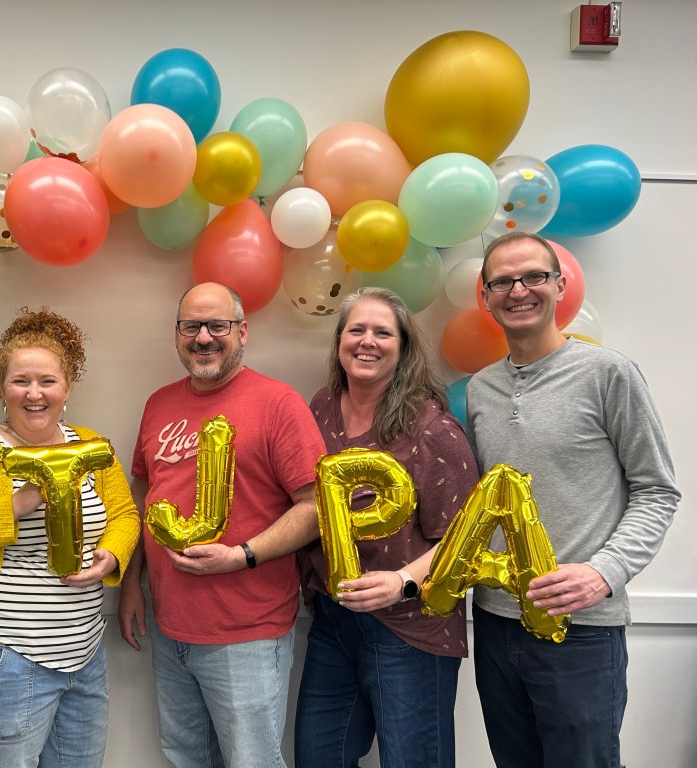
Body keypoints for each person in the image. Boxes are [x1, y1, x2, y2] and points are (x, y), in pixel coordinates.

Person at [467, 231, 680, 768]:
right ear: (485, 296)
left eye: (534, 276)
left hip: (581, 629)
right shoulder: (479, 389)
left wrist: (603, 572)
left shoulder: (609, 373)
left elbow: (657, 491)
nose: (519, 291)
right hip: (495, 622)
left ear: (560, 285)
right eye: (502, 282)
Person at [0, 307, 140, 768]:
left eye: (47, 381)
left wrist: (112, 555)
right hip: (0, 663)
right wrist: (17, 503)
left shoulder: (90, 447)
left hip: (84, 659)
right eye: (20, 381)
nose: (34, 393)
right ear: (2, 389)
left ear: (67, 389)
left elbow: (124, 514)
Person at [117, 282, 327, 768]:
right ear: (177, 334)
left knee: (251, 762)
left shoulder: (278, 403)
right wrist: (131, 584)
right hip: (170, 627)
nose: (204, 337)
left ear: (242, 332)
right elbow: (142, 496)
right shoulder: (159, 403)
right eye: (191, 326)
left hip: (247, 632)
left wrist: (242, 555)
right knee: (186, 757)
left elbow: (316, 506)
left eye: (218, 325)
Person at [293, 288, 479, 768]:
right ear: (339, 341)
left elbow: (467, 538)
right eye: (356, 330)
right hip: (333, 620)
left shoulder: (432, 430)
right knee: (318, 756)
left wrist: (402, 581)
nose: (367, 341)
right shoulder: (321, 408)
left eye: (382, 332)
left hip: (409, 628)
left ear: (404, 347)